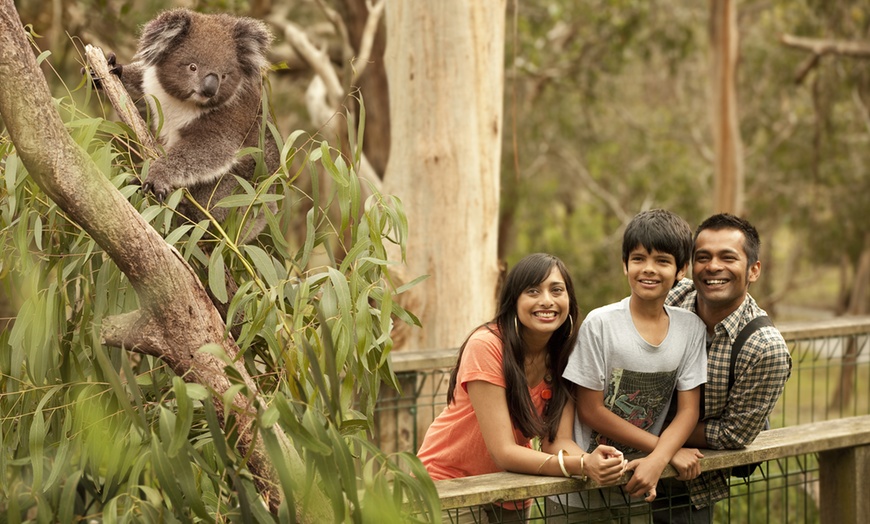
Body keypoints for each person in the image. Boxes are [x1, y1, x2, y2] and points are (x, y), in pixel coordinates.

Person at [417, 253, 627, 523]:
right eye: (533, 291)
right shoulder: (487, 345)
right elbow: (503, 451)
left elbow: (557, 441)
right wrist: (583, 465)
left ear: (569, 300)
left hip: (510, 486)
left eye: (556, 290)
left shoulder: (564, 354)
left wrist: (596, 460)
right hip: (448, 486)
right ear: (513, 300)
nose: (547, 301)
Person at [553, 209, 708, 523]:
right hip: (577, 493)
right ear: (625, 264)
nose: (648, 269)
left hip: (636, 485)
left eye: (662, 261)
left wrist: (656, 460)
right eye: (638, 259)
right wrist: (666, 452)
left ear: (682, 270)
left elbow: (689, 410)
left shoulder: (691, 328)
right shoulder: (602, 324)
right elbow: (590, 410)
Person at [652, 213, 793, 523]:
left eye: (727, 257)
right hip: (623, 468)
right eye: (703, 257)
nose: (713, 266)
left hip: (687, 485)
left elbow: (733, 434)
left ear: (754, 269)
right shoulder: (672, 298)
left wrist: (659, 437)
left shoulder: (764, 348)